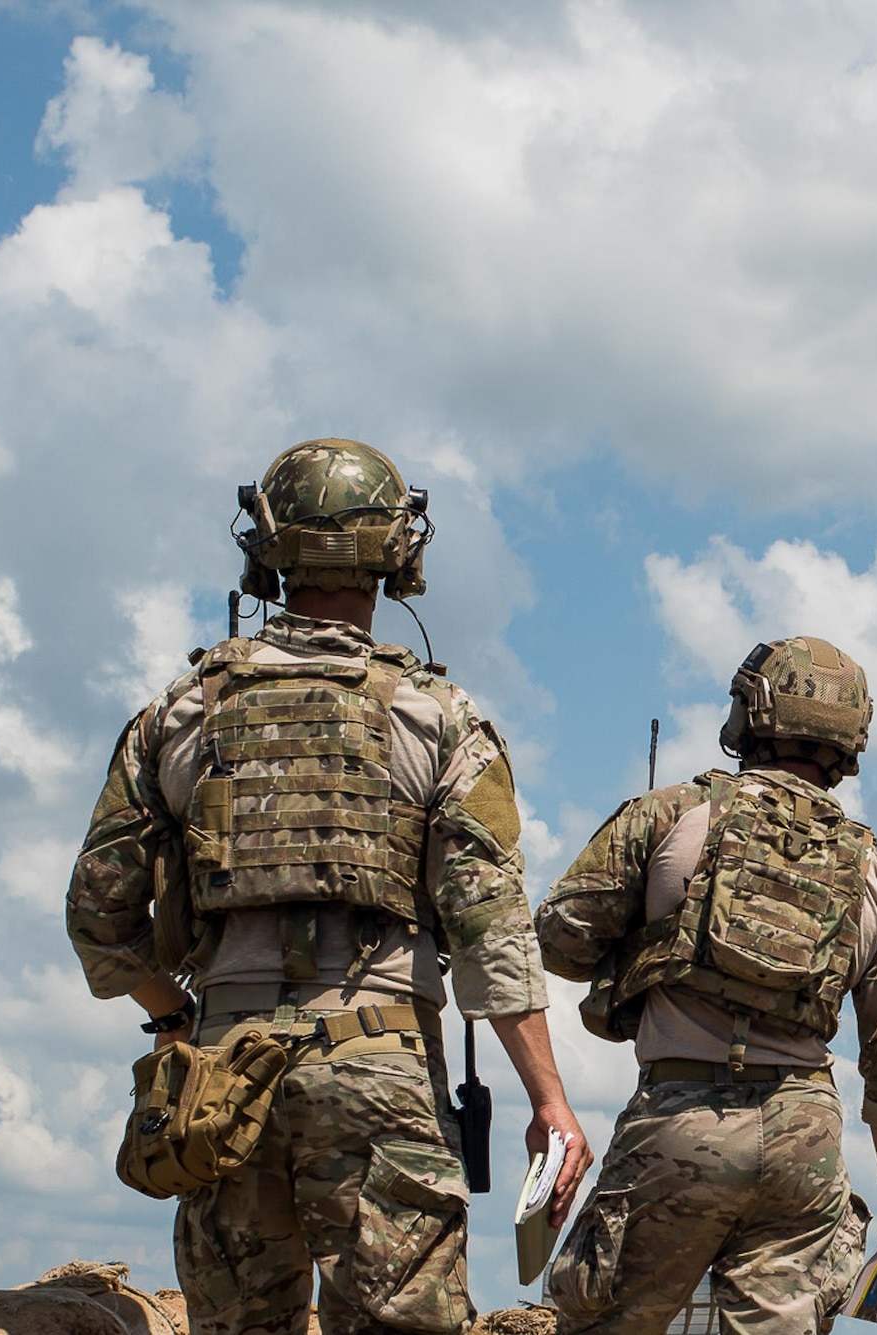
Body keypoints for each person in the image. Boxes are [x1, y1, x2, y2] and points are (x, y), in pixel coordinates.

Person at [68, 438, 591, 1335]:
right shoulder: (439, 716)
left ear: (266, 548)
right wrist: (549, 1100)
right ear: (398, 553)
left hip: (222, 1072)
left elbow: (98, 916)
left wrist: (173, 1018)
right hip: (379, 1062)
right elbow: (490, 930)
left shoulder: (177, 714)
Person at [536, 636, 877, 1334]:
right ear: (851, 735)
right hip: (805, 1139)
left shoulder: (671, 814)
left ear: (749, 712)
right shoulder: (872, 862)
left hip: (681, 1116)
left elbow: (560, 939)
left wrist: (649, 946)